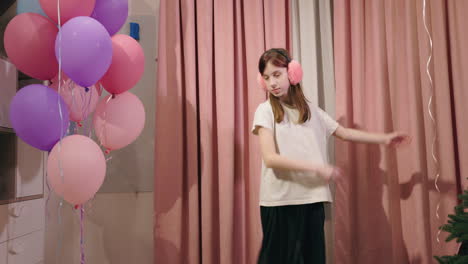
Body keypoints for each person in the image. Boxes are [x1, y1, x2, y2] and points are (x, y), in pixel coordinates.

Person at [252, 48, 410, 264]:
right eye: (267, 77)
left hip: (312, 198)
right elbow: (270, 158)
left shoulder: (311, 111)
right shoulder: (265, 110)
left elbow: (343, 132)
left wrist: (384, 139)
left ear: (292, 73)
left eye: (277, 75)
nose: (272, 83)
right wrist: (317, 167)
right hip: (280, 201)